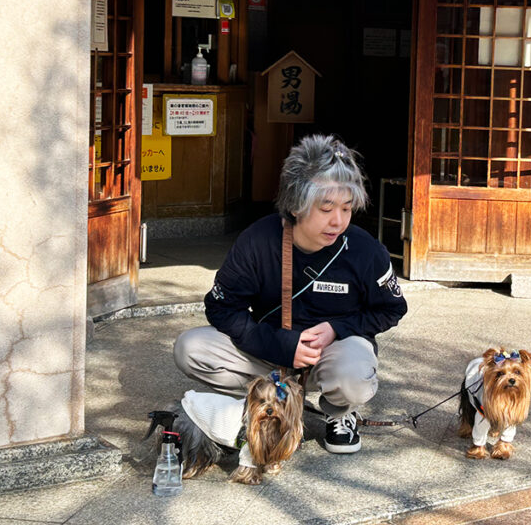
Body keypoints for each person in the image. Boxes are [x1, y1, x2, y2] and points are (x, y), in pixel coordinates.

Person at [173, 134, 407, 454]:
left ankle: (341, 413)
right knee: (191, 347)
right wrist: (280, 344)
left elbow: (391, 309)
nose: (338, 221)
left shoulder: (366, 250)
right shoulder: (257, 241)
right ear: (296, 205)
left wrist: (339, 328)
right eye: (326, 208)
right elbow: (222, 308)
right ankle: (263, 403)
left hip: (331, 356)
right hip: (268, 350)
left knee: (355, 375)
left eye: (347, 208)